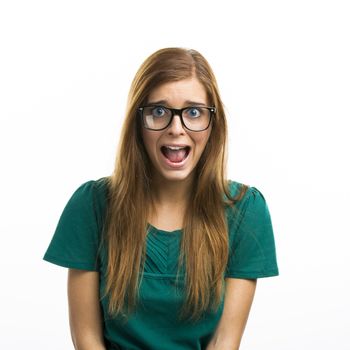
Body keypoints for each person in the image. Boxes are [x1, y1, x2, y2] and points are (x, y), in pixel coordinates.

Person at [43, 47, 279, 350]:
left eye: (194, 112)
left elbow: (224, 341)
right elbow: (86, 338)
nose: (176, 129)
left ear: (213, 122)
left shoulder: (245, 210)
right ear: (137, 122)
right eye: (159, 112)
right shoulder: (92, 205)